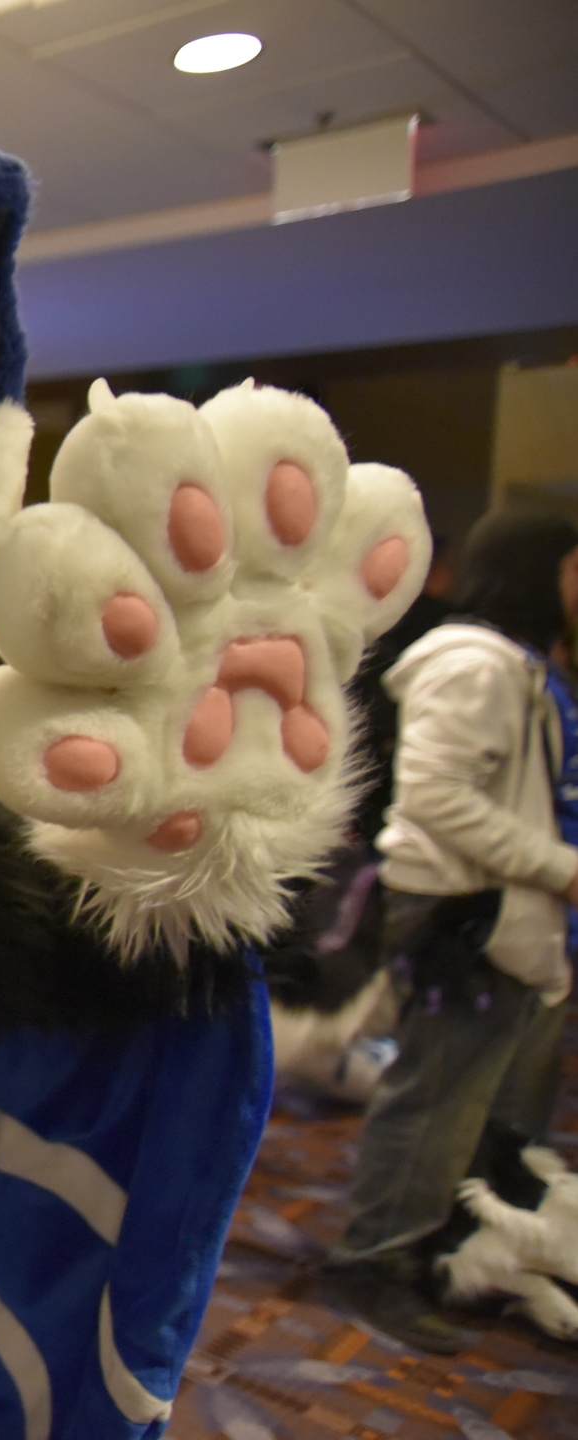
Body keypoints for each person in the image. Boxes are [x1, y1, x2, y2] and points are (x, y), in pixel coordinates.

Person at [325, 510, 578, 1351]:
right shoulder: (473, 663)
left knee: (478, 1102)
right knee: (435, 1100)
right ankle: (371, 1262)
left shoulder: (517, 664)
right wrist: (560, 867)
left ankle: (450, 1247)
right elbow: (435, 797)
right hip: (459, 913)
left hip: (497, 911)